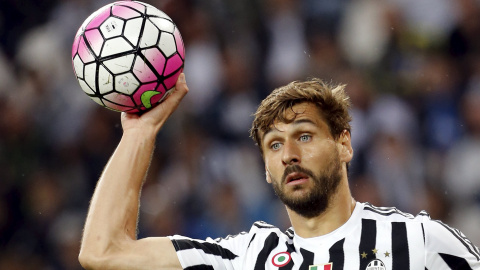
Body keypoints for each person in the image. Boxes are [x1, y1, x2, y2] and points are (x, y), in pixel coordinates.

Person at [78, 73, 480, 270]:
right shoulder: (244, 259)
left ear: (344, 144)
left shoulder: (419, 241)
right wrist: (140, 133)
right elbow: (103, 251)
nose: (288, 153)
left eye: (304, 136)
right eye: (274, 145)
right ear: (267, 171)